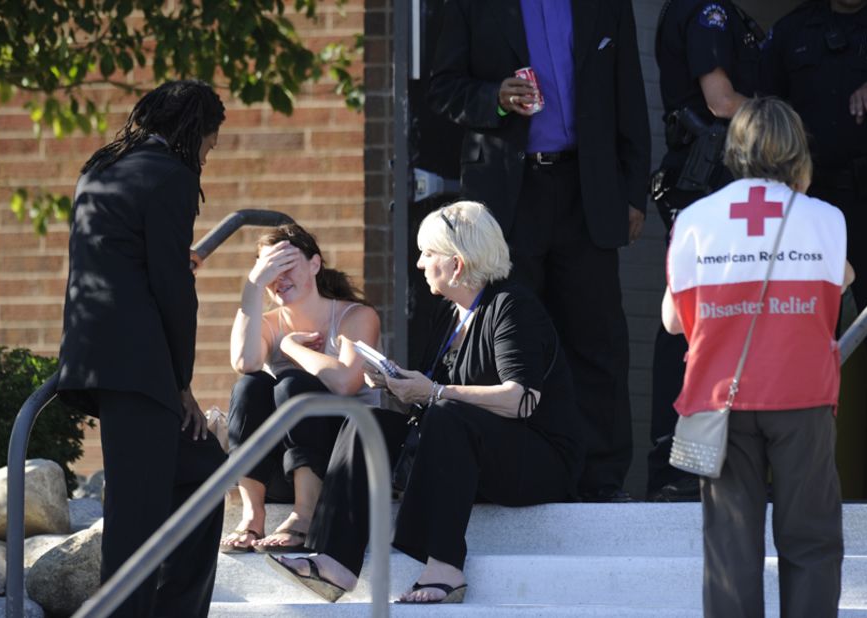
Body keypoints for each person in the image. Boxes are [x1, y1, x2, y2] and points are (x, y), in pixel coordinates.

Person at [269, 200, 584, 603]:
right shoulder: (448, 315)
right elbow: (431, 402)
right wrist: (395, 383)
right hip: (473, 456)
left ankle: (445, 569)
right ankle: (334, 562)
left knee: (449, 414)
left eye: (427, 253)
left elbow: (521, 399)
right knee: (371, 423)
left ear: (456, 263)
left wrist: (434, 392)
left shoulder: (511, 307)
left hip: (538, 461)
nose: (419, 264)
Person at [426, 0, 651, 502]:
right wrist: (496, 98)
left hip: (586, 190)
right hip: (510, 196)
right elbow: (444, 89)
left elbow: (629, 93)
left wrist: (633, 193)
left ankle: (601, 482)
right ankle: (517, 472)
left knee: (598, 340)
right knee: (512, 338)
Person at [662, 97, 855, 618]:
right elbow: (840, 285)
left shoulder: (696, 219)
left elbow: (673, 321)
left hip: (720, 398)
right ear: (797, 149)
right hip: (803, 397)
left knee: (730, 545)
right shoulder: (827, 220)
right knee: (810, 539)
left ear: (735, 148)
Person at [56, 79, 227, 617]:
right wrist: (182, 383)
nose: (207, 155)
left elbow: (124, 257)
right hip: (140, 367)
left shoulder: (102, 166)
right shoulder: (170, 176)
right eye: (210, 144)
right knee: (134, 525)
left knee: (204, 470)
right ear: (194, 132)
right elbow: (171, 291)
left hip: (97, 356)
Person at [760, 0, 867, 503]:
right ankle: (792, 475)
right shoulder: (791, 31)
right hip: (811, 209)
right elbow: (763, 111)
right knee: (799, 340)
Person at [646, 0, 766, 502]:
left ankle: (692, 461)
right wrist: (781, 119)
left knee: (703, 318)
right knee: (695, 321)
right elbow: (719, 100)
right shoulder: (708, 11)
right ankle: (679, 463)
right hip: (709, 176)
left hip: (709, 180)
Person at [219, 224, 383, 553]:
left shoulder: (356, 316)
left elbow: (345, 381)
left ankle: (305, 515)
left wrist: (292, 349)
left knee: (293, 383)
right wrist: (252, 288)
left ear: (315, 264)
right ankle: (253, 516)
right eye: (269, 269)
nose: (278, 278)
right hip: (282, 470)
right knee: (251, 386)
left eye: (287, 265)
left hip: (341, 463)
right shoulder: (266, 322)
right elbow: (244, 363)